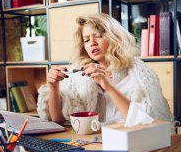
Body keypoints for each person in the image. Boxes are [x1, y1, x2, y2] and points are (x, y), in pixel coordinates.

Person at [37, 13, 173, 128]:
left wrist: (107, 86)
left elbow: (142, 122)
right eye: (86, 40)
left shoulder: (137, 75)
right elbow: (58, 121)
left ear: (114, 37)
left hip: (128, 143)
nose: (92, 43)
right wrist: (54, 87)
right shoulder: (77, 76)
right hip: (90, 145)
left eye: (98, 36)